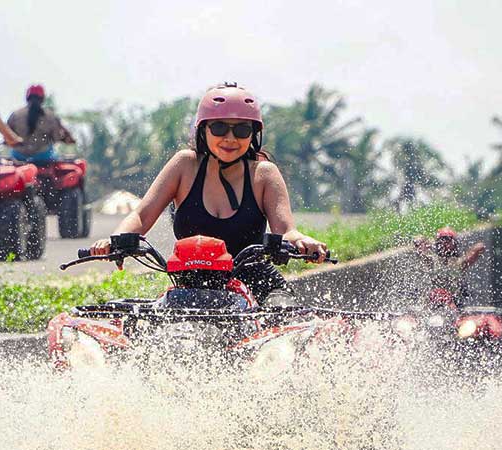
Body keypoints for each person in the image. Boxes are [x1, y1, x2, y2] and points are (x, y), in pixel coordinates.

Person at [90, 82, 329, 303]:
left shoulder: (264, 174)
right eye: (219, 127)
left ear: (253, 134)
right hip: (190, 288)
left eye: (242, 130)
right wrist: (116, 239)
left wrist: (303, 242)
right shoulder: (184, 165)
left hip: (259, 286)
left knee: (285, 327)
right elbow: (141, 216)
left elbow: (287, 231)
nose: (230, 138)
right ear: (203, 130)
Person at [413, 227, 486, 308]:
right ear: (437, 243)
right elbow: (418, 241)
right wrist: (426, 243)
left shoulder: (459, 262)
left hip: (454, 303)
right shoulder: (431, 260)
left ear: (454, 243)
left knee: (449, 300)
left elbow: (480, 247)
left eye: (448, 240)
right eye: (442, 240)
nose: (445, 243)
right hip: (432, 302)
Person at [6, 84, 76, 163]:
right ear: (42, 99)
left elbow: (7, 139)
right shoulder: (51, 116)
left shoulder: (15, 115)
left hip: (18, 157)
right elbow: (56, 137)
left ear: (27, 98)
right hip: (43, 157)